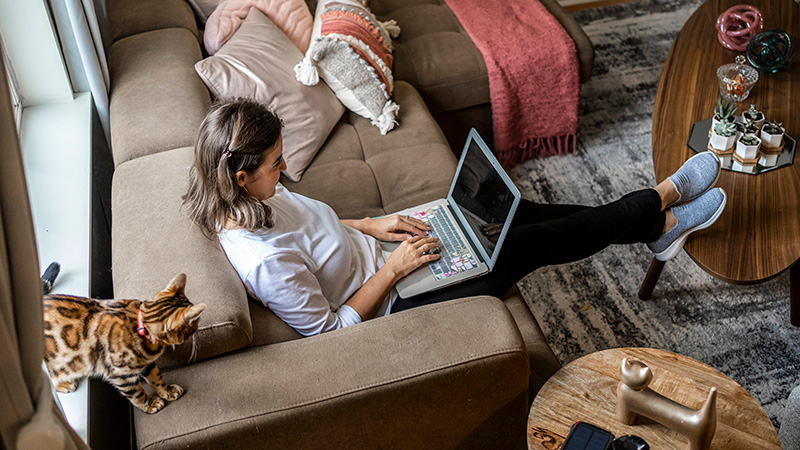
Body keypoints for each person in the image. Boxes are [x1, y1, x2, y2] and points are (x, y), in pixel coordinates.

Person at [183, 99, 727, 336]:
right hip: (402, 296)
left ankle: (659, 229)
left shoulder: (253, 200)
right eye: (278, 163)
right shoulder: (263, 259)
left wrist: (372, 226)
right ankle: (660, 198)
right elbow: (331, 332)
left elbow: (320, 231)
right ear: (239, 175)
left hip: (390, 254)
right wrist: (393, 270)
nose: (287, 168)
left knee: (519, 209)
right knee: (542, 240)